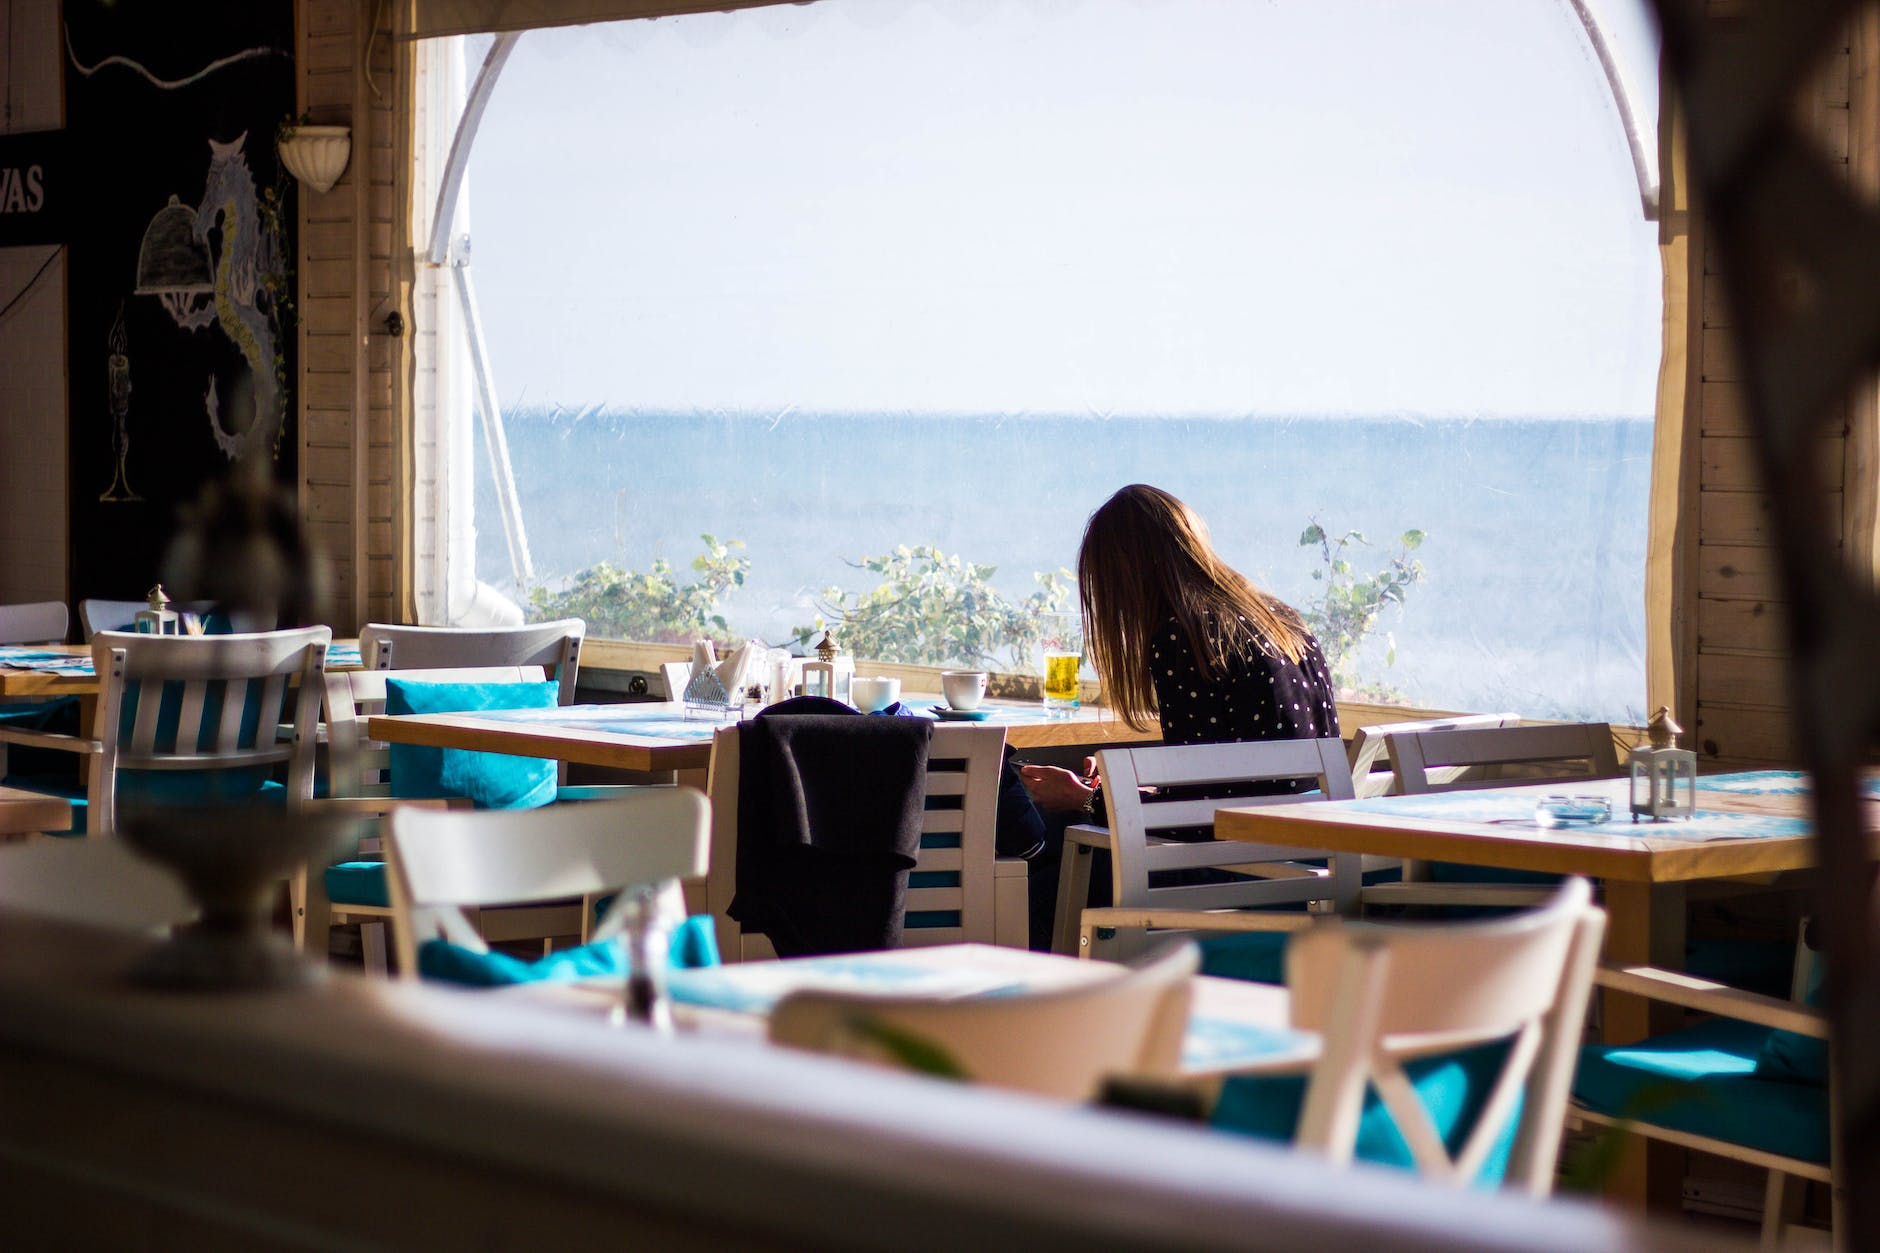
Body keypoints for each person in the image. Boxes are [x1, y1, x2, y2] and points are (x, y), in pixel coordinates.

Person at [1009, 483, 1341, 948]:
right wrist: (1129, 792)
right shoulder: (1281, 620)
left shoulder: (1186, 637)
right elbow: (1227, 778)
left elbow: (1199, 819)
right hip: (1306, 855)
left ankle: (1065, 1005)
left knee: (1036, 878)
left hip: (1238, 867)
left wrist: (1088, 802)